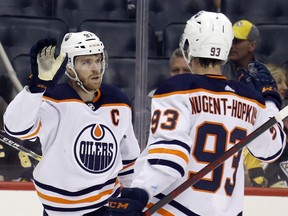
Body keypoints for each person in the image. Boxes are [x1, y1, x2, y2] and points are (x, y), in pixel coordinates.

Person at [108, 11, 286, 216]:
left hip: (174, 210)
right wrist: (271, 102)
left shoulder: (178, 88)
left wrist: (139, 193)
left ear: (189, 46)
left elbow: (169, 156)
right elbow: (271, 148)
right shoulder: (249, 98)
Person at [3, 31, 140, 216]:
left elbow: (129, 161)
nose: (95, 68)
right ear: (69, 68)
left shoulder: (119, 102)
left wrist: (132, 198)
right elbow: (16, 128)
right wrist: (36, 87)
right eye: (86, 62)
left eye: (98, 60)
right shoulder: (54, 100)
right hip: (59, 211)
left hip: (105, 208)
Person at [222, 19, 267, 187]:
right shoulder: (219, 69)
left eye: (238, 41)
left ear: (252, 46)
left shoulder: (264, 74)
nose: (232, 45)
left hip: (254, 133)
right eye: (230, 40)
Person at [264, 64, 288, 187]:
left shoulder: (284, 114)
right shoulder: (255, 115)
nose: (285, 87)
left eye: (284, 82)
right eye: (279, 82)